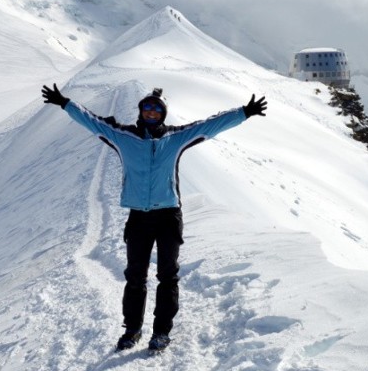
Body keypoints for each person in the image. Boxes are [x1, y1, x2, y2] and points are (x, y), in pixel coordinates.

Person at [41, 83, 267, 351]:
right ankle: (133, 329)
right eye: (147, 107)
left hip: (169, 216)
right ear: (141, 111)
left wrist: (243, 112)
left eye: (156, 108)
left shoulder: (175, 138)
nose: (151, 111)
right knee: (135, 276)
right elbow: (92, 122)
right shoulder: (123, 136)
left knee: (167, 275)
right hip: (139, 217)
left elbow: (210, 125)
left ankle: (161, 332)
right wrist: (65, 103)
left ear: (163, 114)